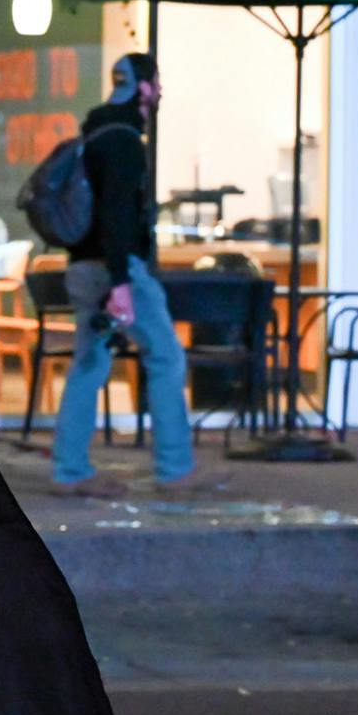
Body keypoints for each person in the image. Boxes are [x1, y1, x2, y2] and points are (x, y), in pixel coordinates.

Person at [51, 53, 216, 500]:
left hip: (82, 266)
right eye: (156, 82)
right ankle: (175, 469)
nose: (159, 90)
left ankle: (69, 470)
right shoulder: (124, 141)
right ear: (143, 88)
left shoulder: (94, 133)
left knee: (89, 364)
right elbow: (116, 213)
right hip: (116, 269)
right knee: (166, 357)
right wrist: (121, 283)